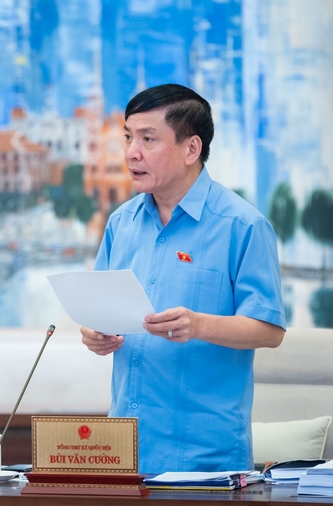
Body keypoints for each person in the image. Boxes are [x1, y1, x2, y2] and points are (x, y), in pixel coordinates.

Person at [80, 84, 286, 473]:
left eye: (147, 139)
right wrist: (95, 334)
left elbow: (269, 330)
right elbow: (100, 310)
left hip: (206, 458)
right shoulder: (120, 224)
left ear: (191, 149)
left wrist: (198, 325)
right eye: (128, 137)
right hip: (124, 451)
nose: (131, 152)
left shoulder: (243, 225)